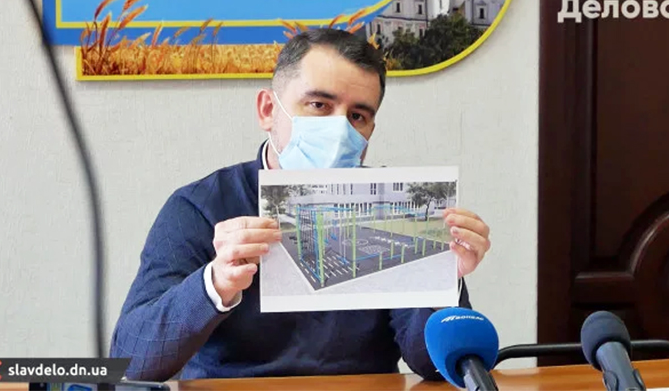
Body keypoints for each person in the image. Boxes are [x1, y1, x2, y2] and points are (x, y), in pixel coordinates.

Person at [110, 28, 492, 381]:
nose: (340, 130)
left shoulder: (393, 207)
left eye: (357, 116)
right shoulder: (199, 206)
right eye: (319, 105)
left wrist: (442, 279)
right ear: (268, 110)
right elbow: (132, 360)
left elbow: (430, 365)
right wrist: (215, 283)